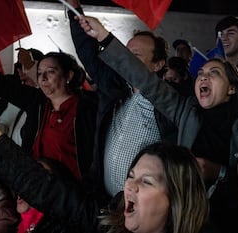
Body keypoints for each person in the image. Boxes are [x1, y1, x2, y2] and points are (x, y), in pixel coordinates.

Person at [76, 15, 238, 232]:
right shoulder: (184, 111)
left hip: (228, 221)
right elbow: (145, 81)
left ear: (232, 88)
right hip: (185, 218)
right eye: (200, 73)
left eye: (214, 73)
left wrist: (218, 172)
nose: (203, 77)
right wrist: (105, 38)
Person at [0, 93, 212, 233]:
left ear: (177, 198)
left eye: (146, 181)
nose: (129, 186)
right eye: (131, 175)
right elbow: (44, 188)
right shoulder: (108, 224)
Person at [66, 0, 178, 203]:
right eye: (124, 54)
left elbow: (143, 80)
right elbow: (89, 54)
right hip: (106, 203)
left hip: (143, 209)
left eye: (134, 56)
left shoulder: (167, 101)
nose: (124, 61)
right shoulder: (115, 90)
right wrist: (74, 10)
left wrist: (104, 37)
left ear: (158, 64)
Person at [0, 39, 98, 182]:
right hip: (35, 184)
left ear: (69, 75)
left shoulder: (88, 108)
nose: (42, 78)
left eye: (50, 72)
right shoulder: (37, 101)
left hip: (71, 190)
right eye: (39, 73)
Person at [16, 157, 78, 233]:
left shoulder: (61, 227)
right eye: (25, 181)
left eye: (35, 181)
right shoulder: (19, 228)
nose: (25, 187)